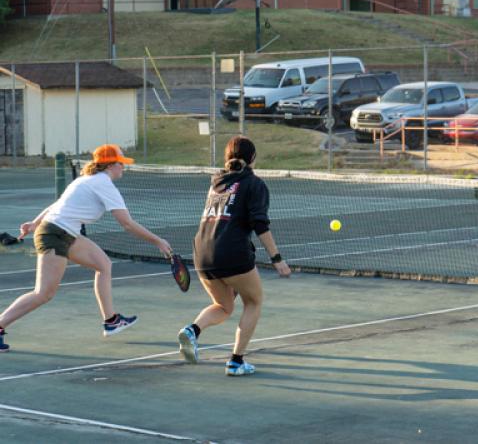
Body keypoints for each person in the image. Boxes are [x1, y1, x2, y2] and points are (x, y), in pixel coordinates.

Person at [0, 144, 172, 353]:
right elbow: (126, 223)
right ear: (110, 165)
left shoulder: (85, 180)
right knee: (43, 293)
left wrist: (35, 222)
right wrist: (158, 241)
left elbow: (56, 205)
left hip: (65, 232)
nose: (123, 168)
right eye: (121, 164)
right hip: (54, 235)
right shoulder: (103, 183)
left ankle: (111, 320)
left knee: (103, 264)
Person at [178, 136, 291, 376]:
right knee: (254, 301)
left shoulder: (216, 182)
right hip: (232, 253)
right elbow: (259, 224)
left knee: (224, 306)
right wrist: (277, 259)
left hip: (202, 254)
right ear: (253, 159)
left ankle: (192, 330)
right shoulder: (254, 184)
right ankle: (236, 361)